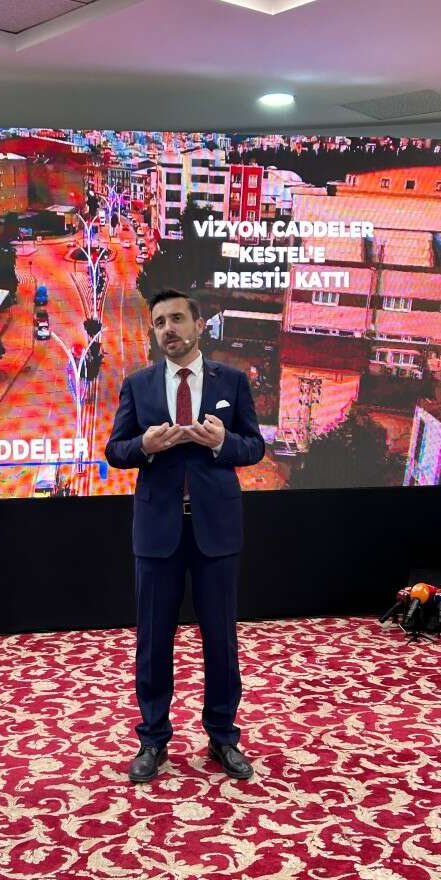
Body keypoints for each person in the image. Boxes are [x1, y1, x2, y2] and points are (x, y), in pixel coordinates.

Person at [105, 289, 265, 783]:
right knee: (154, 641)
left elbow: (254, 447)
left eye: (176, 319)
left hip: (216, 529)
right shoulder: (138, 385)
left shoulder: (231, 381)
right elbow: (115, 449)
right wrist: (145, 445)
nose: (168, 329)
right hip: (158, 531)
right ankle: (152, 739)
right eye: (159, 323)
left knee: (221, 639)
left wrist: (222, 442)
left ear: (199, 325)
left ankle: (223, 736)